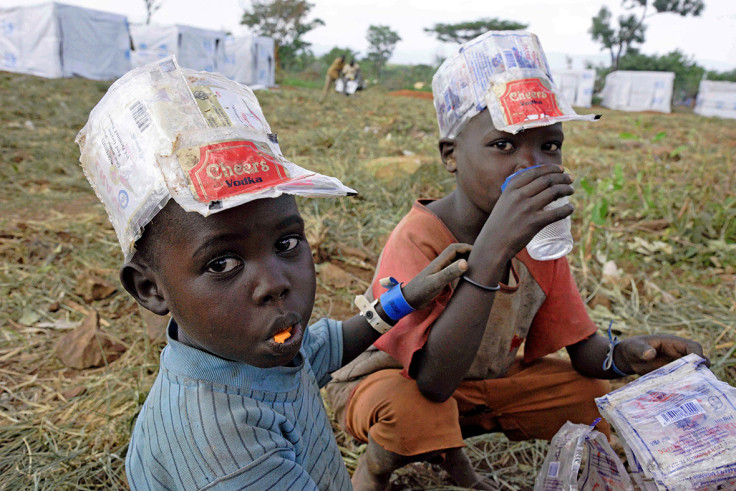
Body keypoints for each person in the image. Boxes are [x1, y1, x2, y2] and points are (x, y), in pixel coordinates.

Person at [325, 30, 708, 491]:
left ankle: (464, 459)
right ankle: (375, 471)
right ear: (451, 155)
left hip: (483, 386)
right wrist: (493, 250)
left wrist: (629, 354)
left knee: (587, 394)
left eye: (549, 146)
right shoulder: (420, 236)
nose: (531, 165)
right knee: (411, 407)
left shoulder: (539, 239)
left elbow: (583, 350)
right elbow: (431, 380)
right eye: (504, 145)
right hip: (399, 382)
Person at [76, 58, 471, 490]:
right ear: (151, 289)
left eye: (286, 244)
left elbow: (329, 346)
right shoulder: (224, 447)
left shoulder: (251, 350)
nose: (276, 283)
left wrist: (408, 296)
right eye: (222, 263)